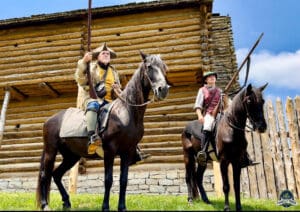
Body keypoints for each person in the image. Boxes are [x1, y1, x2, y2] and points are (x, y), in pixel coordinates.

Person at [74, 42, 150, 164]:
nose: (106, 55)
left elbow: (118, 89)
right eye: (103, 53)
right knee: (93, 106)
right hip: (92, 98)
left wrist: (117, 89)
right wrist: (83, 62)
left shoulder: (113, 71)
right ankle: (92, 137)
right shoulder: (91, 67)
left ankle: (133, 148)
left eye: (108, 54)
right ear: (98, 56)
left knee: (127, 117)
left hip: (111, 102)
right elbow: (80, 79)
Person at [194, 71, 258, 167]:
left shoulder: (220, 91)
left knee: (236, 129)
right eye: (209, 77)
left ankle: (245, 156)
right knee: (207, 126)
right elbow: (198, 105)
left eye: (213, 76)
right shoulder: (202, 90)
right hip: (209, 114)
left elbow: (226, 107)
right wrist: (199, 115)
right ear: (206, 80)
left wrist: (224, 99)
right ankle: (203, 152)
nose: (212, 78)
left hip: (221, 114)